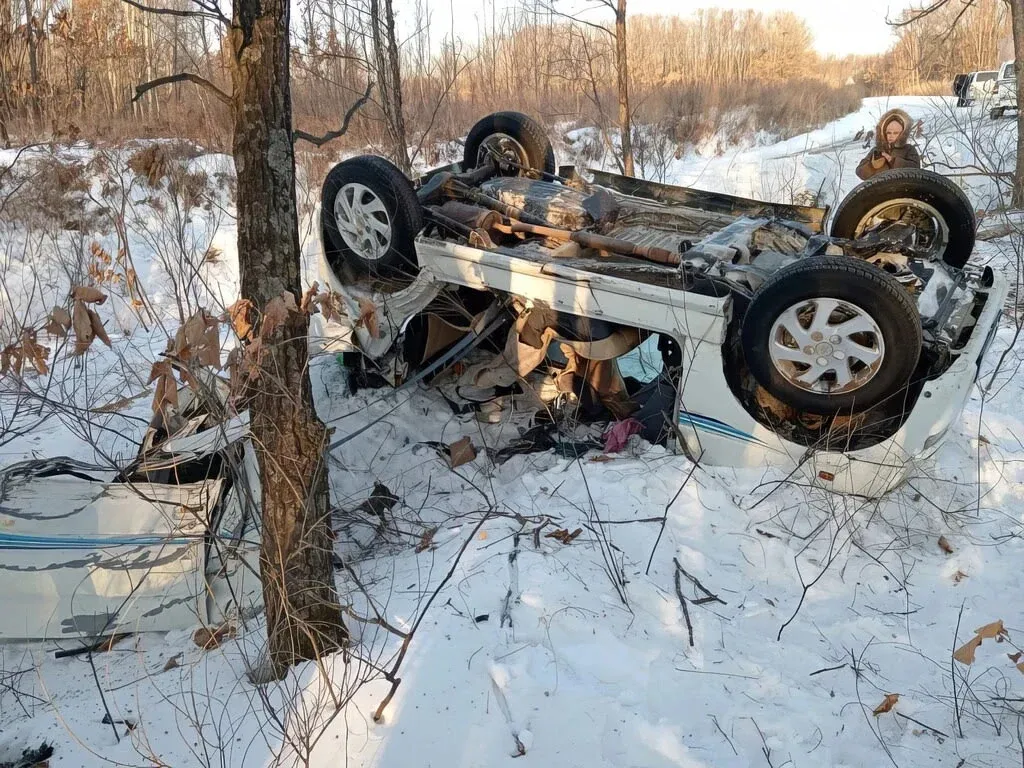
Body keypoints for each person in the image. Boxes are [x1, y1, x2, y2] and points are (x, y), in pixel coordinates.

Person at [855, 109, 922, 180]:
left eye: (896, 133)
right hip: (880, 189)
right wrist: (872, 166)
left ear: (902, 133)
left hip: (903, 189)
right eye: (888, 132)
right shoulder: (877, 150)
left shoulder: (908, 149)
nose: (891, 136)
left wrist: (892, 161)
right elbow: (860, 171)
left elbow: (915, 170)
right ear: (883, 132)